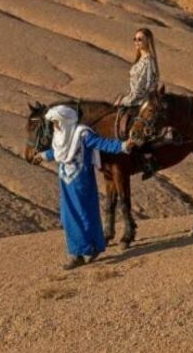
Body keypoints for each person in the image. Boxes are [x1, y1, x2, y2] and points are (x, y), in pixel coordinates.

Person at [34, 104, 133, 269]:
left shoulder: (82, 134)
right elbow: (59, 152)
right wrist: (43, 155)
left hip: (82, 182)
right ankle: (91, 247)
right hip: (66, 182)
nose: (54, 126)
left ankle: (78, 254)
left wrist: (122, 146)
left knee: (82, 216)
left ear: (65, 121)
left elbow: (103, 144)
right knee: (69, 216)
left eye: (56, 122)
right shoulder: (61, 136)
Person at [115, 27, 161, 179]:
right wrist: (124, 97)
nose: (136, 42)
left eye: (140, 39)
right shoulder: (140, 59)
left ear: (148, 40)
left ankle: (146, 159)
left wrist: (125, 100)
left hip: (142, 101)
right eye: (135, 39)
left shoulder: (149, 61)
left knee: (135, 127)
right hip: (134, 98)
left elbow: (142, 88)